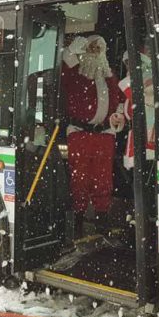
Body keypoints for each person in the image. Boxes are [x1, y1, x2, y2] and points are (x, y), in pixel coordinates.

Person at [61, 35, 125, 237]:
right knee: (79, 178)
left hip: (104, 135)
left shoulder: (109, 76)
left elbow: (120, 102)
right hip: (80, 134)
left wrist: (119, 116)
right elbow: (67, 56)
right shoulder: (75, 73)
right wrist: (76, 46)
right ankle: (78, 219)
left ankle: (101, 219)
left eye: (100, 47)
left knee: (103, 178)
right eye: (93, 47)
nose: (96, 51)